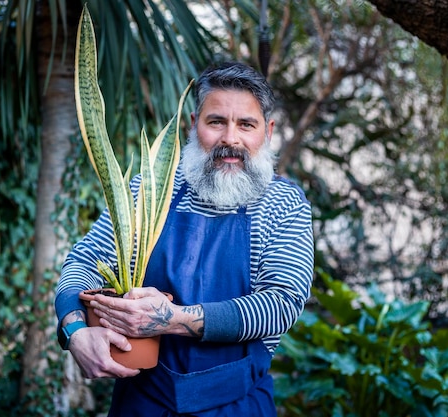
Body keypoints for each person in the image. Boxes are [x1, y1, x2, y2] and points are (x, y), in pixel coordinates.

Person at [54, 61, 314, 416]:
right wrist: (75, 330)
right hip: (141, 403)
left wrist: (173, 319)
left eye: (246, 125)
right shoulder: (152, 187)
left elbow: (281, 303)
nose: (230, 139)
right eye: (216, 121)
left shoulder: (282, 204)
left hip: (234, 406)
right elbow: (85, 261)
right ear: (194, 125)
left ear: (267, 132)